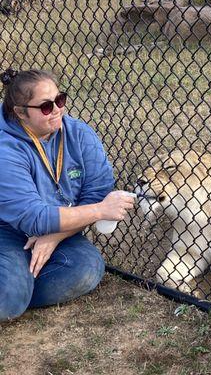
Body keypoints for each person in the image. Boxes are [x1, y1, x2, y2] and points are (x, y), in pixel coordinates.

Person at [0, 68, 135, 321]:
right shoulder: (5, 148)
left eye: (60, 100)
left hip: (58, 227)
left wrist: (54, 237)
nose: (58, 110)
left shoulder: (79, 133)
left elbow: (97, 191)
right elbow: (33, 217)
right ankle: (14, 291)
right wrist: (99, 211)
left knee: (87, 268)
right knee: (8, 300)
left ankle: (18, 286)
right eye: (46, 107)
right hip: (7, 229)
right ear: (20, 113)